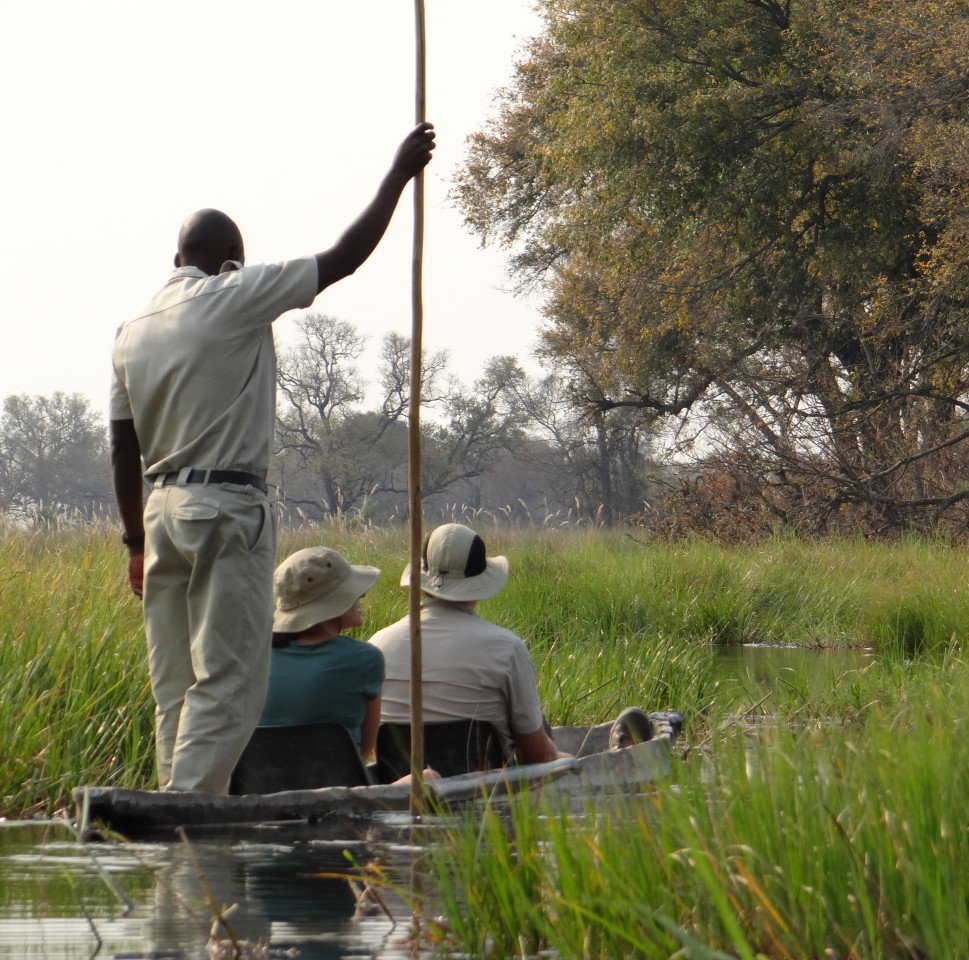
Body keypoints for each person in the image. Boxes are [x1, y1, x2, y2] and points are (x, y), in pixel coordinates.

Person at [109, 122, 437, 793]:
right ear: (231, 260)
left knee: (174, 682)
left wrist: (134, 543)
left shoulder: (131, 330)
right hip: (225, 509)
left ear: (176, 263)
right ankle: (186, 810)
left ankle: (172, 809)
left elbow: (122, 443)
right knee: (227, 678)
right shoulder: (233, 296)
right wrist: (399, 175)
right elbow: (344, 257)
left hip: (160, 514)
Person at [369, 523, 656, 767]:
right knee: (550, 744)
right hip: (484, 787)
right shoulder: (505, 648)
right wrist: (564, 758)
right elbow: (537, 755)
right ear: (479, 585)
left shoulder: (377, 645)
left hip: (402, 782)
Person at [260, 547, 385, 758]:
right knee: (428, 777)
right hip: (341, 788)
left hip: (261, 787)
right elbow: (366, 751)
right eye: (352, 590)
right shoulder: (365, 659)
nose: (362, 594)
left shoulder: (254, 660)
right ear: (333, 603)